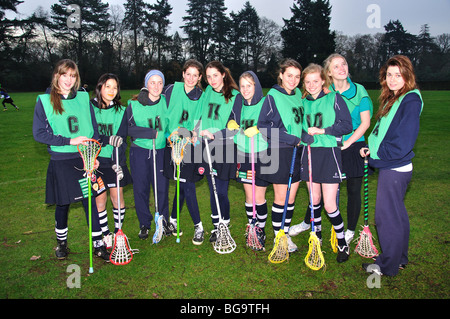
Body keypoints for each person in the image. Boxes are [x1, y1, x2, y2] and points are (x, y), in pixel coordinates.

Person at [289, 53, 373, 245]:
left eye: (343, 64)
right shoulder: (323, 89)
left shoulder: (359, 91)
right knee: (316, 189)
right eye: (336, 66)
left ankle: (349, 230)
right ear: (328, 73)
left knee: (352, 189)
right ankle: (308, 222)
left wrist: (348, 142)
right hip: (325, 146)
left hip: (353, 143)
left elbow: (364, 122)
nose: (341, 68)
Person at [32, 59, 110, 261]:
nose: (68, 80)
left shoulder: (84, 98)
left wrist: (93, 156)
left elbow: (95, 131)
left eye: (72, 75)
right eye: (64, 75)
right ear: (57, 76)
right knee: (63, 204)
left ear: (77, 78)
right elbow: (39, 134)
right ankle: (62, 244)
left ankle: (98, 244)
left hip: (84, 158)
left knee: (89, 200)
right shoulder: (45, 100)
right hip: (61, 160)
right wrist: (69, 140)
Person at [361, 55, 423, 276]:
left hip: (394, 168)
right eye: (389, 75)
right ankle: (399, 258)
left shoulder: (410, 100)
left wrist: (380, 157)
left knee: (386, 219)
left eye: (398, 75)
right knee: (397, 215)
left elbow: (403, 141)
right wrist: (371, 148)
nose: (393, 79)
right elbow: (383, 132)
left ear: (407, 76)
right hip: (392, 165)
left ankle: (387, 265)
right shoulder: (394, 98)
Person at [299, 63, 353, 263]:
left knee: (330, 204)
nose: (312, 85)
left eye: (315, 81)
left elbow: (346, 125)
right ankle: (317, 237)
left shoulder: (334, 98)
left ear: (323, 80)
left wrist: (323, 131)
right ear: (303, 83)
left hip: (329, 153)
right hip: (309, 153)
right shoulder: (302, 102)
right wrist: (305, 134)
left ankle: (342, 242)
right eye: (308, 82)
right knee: (314, 202)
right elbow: (295, 126)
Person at [257, 58, 303, 253]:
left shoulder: (299, 94)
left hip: (296, 150)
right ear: (281, 75)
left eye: (297, 76)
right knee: (281, 197)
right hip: (278, 151)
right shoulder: (272, 96)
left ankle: (284, 233)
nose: (293, 80)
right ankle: (279, 237)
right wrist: (289, 138)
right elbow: (262, 127)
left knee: (290, 199)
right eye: (289, 76)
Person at [163, 60, 205, 245]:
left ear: (199, 78)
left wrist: (194, 134)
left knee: (187, 184)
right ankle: (173, 219)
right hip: (171, 143)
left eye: (195, 75)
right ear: (183, 74)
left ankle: (199, 226)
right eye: (188, 74)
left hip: (188, 145)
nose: (191, 78)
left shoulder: (201, 95)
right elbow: (158, 105)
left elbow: (199, 123)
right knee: (181, 183)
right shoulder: (171, 89)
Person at [199, 61, 239, 243]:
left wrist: (215, 134)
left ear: (223, 74)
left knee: (221, 190)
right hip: (207, 147)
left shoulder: (235, 96)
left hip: (225, 148)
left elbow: (234, 127)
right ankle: (217, 227)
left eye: (215, 75)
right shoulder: (207, 92)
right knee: (212, 188)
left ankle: (225, 224)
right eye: (208, 77)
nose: (212, 80)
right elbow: (199, 114)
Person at [227, 71, 269, 247]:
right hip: (244, 153)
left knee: (259, 196)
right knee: (249, 195)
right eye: (242, 86)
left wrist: (259, 128)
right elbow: (232, 120)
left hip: (260, 154)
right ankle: (252, 226)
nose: (245, 90)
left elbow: (273, 123)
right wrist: (230, 124)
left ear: (256, 86)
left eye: (248, 86)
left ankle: (261, 230)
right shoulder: (239, 103)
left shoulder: (265, 103)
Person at [127, 70, 169, 240]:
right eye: (152, 82)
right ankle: (144, 223)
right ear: (146, 84)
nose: (156, 86)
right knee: (141, 188)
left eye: (160, 83)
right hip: (140, 151)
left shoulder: (166, 102)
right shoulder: (134, 104)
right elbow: (127, 128)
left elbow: (170, 125)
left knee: (162, 187)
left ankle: (163, 221)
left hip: (160, 151)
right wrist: (148, 132)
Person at [91, 73, 132, 248]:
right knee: (100, 199)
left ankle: (118, 233)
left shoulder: (122, 111)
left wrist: (117, 163)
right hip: (96, 161)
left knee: (117, 198)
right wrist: (107, 139)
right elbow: (91, 135)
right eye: (108, 86)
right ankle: (105, 233)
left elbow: (122, 138)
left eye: (115, 87)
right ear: (100, 87)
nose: (111, 91)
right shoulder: (90, 108)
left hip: (115, 161)